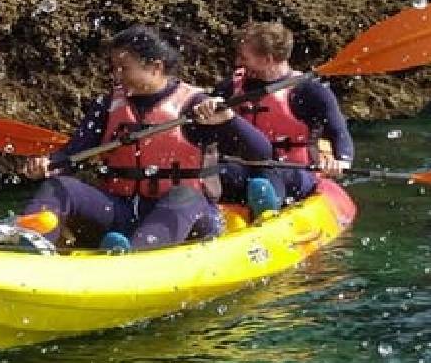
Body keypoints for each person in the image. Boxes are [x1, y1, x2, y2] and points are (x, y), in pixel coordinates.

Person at [17, 25, 273, 253]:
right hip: (122, 211)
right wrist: (47, 165)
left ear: (155, 67)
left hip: (188, 217)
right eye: (114, 68)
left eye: (124, 69)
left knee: (184, 195)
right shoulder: (107, 106)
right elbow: (72, 154)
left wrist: (229, 120)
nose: (116, 76)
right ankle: (31, 244)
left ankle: (132, 258)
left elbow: (261, 153)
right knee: (60, 186)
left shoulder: (195, 106)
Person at [213, 21, 354, 215]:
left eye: (245, 57)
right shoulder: (229, 88)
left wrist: (342, 161)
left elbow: (338, 132)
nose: (238, 62)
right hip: (241, 168)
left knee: (262, 182)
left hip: (293, 170)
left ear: (268, 59)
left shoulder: (308, 91)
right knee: (209, 175)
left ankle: (265, 215)